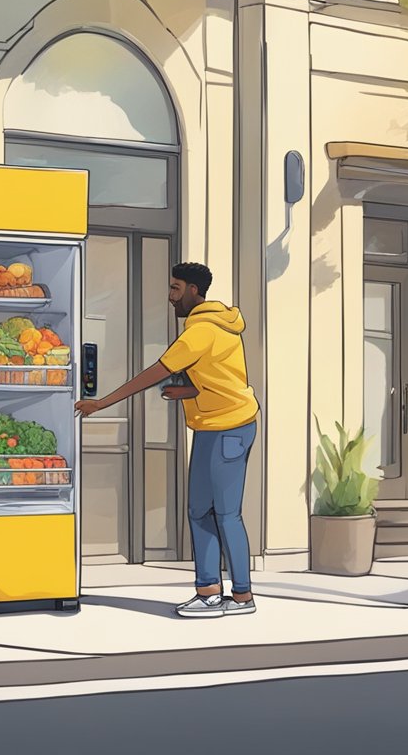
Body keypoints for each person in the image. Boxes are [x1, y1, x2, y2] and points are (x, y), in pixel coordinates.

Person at [74, 262, 260, 618]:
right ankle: (209, 592)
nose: (170, 296)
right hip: (214, 426)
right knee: (199, 511)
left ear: (193, 290)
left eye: (175, 289)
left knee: (225, 514)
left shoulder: (201, 331)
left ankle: (241, 596)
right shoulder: (220, 326)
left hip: (229, 428)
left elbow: (153, 373)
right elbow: (225, 379)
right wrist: (188, 391)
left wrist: (101, 403)